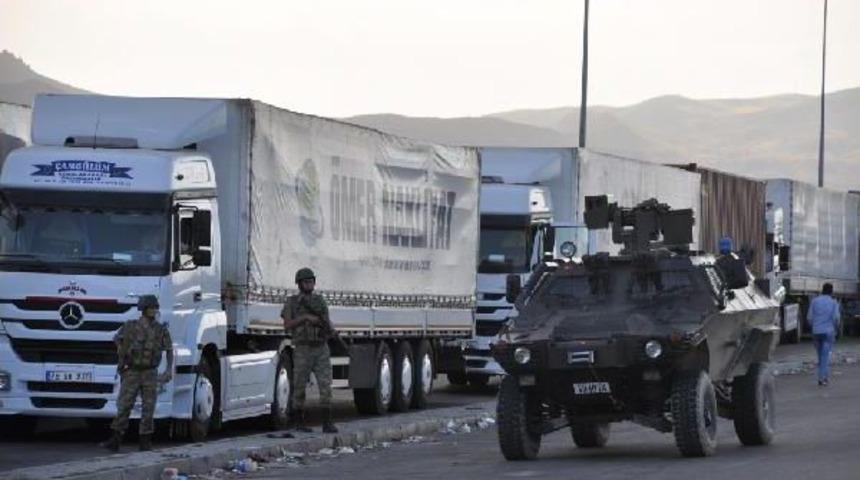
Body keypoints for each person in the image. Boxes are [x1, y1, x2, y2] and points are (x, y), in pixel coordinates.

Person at [100, 295, 174, 452]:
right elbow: (117, 340)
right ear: (144, 309)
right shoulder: (130, 326)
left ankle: (145, 441)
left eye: (155, 307)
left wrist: (168, 370)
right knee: (125, 405)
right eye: (151, 307)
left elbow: (169, 350)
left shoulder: (161, 330)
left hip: (150, 372)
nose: (154, 310)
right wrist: (122, 354)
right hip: (132, 371)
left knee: (149, 407)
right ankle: (116, 439)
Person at [281, 268, 338, 434]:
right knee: (299, 385)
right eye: (305, 282)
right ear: (299, 284)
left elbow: (326, 321)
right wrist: (305, 318)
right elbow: (287, 325)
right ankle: (299, 422)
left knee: (325, 385)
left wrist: (329, 328)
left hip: (320, 347)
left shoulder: (319, 302)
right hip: (303, 348)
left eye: (311, 281)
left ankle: (327, 422)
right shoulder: (292, 302)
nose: (309, 284)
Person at [807, 283, 840, 386]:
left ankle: (824, 377)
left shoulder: (814, 301)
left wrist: (814, 326)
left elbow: (809, 317)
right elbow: (836, 318)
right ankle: (822, 378)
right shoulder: (834, 303)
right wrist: (836, 329)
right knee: (825, 356)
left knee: (820, 356)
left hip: (816, 332)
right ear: (831, 292)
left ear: (822, 290)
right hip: (828, 332)